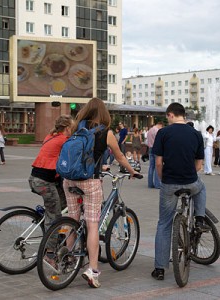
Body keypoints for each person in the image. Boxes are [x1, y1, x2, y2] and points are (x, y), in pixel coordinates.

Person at [63, 98, 138, 288]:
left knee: (72, 218)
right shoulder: (106, 132)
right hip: (90, 181)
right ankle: (93, 270)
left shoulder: (75, 128)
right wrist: (131, 171)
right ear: (104, 113)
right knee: (92, 224)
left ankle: (67, 257)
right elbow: (120, 156)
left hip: (69, 179)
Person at [151, 102, 209, 281]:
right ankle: (199, 218)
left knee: (164, 224)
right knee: (201, 187)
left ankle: (160, 269)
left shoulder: (163, 133)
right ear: (183, 115)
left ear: (170, 115)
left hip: (169, 183)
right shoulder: (196, 134)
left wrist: (162, 179)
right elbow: (199, 164)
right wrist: (189, 173)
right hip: (190, 181)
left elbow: (158, 163)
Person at [29, 115, 72, 232]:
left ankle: (58, 232)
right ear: (67, 128)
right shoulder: (64, 140)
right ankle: (50, 248)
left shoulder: (50, 136)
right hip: (44, 182)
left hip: (34, 178)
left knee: (62, 203)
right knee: (55, 216)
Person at [146, 122, 163, 189]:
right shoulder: (157, 130)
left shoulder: (150, 130)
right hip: (156, 148)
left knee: (151, 166)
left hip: (150, 148)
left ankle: (150, 184)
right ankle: (157, 184)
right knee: (157, 166)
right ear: (160, 125)